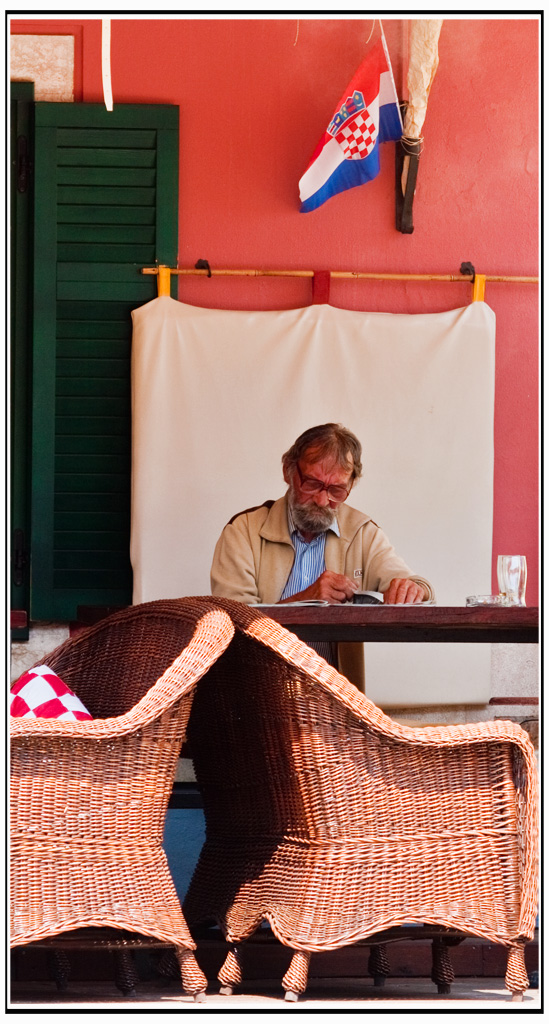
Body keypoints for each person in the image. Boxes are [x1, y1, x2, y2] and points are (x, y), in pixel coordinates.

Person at [211, 423, 434, 690]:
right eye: (313, 484)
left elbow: (411, 583)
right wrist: (305, 601)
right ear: (289, 471)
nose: (321, 499)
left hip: (334, 698)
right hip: (258, 691)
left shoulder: (362, 532)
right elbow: (232, 624)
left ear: (350, 485)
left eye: (336, 490)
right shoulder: (244, 531)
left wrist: (413, 589)